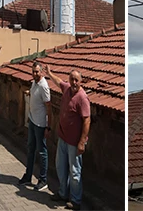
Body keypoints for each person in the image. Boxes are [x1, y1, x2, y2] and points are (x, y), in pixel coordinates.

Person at [46, 66, 90, 211]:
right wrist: (50, 73)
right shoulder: (67, 89)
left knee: (75, 171)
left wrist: (82, 142)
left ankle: (76, 201)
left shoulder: (82, 98)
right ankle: (63, 193)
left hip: (74, 142)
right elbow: (59, 82)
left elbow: (86, 120)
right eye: (72, 79)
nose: (74, 82)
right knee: (60, 166)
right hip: (63, 137)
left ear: (81, 81)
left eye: (77, 80)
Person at [19, 62, 52, 191]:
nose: (35, 74)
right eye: (33, 71)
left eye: (37, 72)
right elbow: (35, 95)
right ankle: (28, 176)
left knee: (42, 151)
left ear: (42, 72)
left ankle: (43, 180)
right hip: (33, 121)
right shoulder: (34, 83)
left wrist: (48, 127)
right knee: (30, 148)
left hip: (40, 124)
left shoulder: (44, 86)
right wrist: (29, 93)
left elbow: (48, 107)